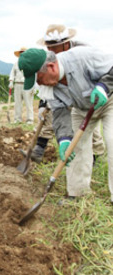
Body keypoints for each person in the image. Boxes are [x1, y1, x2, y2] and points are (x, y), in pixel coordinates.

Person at [18, 47, 113, 203]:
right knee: (74, 148)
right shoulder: (48, 87)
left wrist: (104, 87)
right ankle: (77, 194)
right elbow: (60, 113)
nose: (39, 83)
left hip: (109, 100)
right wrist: (64, 140)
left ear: (51, 67)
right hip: (81, 108)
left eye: (39, 78)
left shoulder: (82, 57)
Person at [29, 24, 105, 163]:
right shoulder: (49, 60)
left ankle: (95, 153)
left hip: (95, 95)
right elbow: (46, 82)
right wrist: (43, 102)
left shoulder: (83, 52)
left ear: (65, 44)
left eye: (54, 47)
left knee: (92, 127)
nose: (51, 50)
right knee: (58, 116)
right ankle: (41, 147)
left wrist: (102, 87)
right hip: (70, 98)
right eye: (48, 47)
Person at [9, 47, 35, 124]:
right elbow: (12, 73)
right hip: (17, 85)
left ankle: (30, 120)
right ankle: (17, 119)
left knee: (28, 103)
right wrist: (11, 81)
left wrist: (34, 86)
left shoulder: (31, 64)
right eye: (21, 53)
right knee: (17, 103)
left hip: (27, 85)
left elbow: (34, 75)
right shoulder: (16, 63)